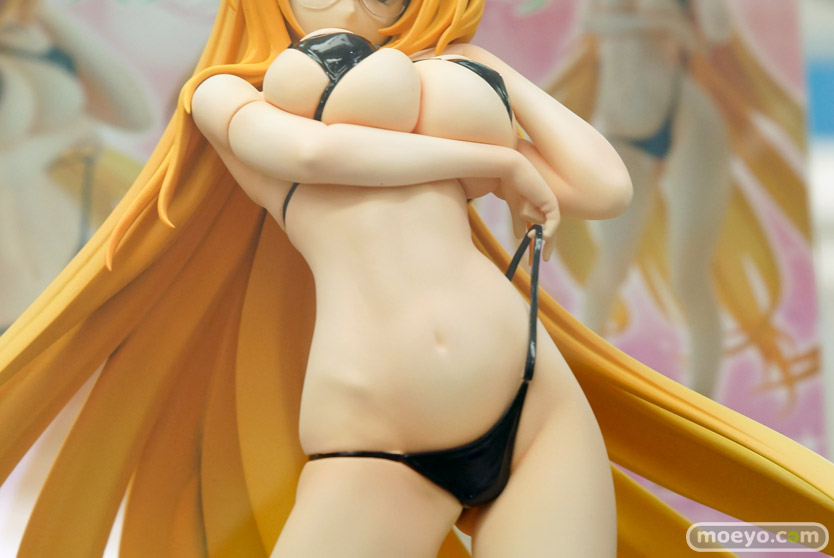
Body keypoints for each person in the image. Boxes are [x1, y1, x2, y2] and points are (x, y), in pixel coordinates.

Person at [0, 0, 832, 556]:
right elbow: (310, 152)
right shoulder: (225, 92)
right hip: (377, 434)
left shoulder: (461, 63)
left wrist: (496, 84)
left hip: (535, 400)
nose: (356, 7)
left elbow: (604, 186)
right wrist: (497, 163)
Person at [549, 0, 816, 401]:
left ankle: (703, 402)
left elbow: (718, 32)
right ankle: (577, 388)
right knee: (610, 268)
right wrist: (665, 26)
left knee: (690, 274)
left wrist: (679, 22)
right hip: (622, 125)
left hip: (686, 117)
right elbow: (594, 24)